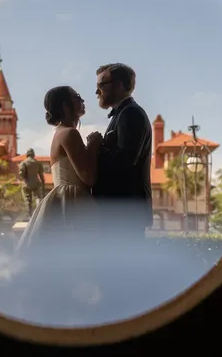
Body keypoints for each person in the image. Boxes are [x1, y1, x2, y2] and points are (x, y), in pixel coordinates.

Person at [15, 86, 102, 253]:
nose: (82, 100)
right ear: (65, 105)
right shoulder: (70, 134)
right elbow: (88, 177)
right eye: (77, 96)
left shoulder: (60, 133)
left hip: (64, 199)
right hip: (74, 202)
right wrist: (93, 146)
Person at [89, 63, 153, 243]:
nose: (97, 92)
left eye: (101, 85)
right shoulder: (123, 114)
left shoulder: (131, 114)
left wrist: (96, 146)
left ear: (119, 85)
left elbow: (125, 161)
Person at [18, 148, 45, 216]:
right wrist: (43, 184)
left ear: (27, 154)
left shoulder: (24, 162)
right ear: (33, 155)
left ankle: (30, 216)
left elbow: (21, 174)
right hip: (36, 183)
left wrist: (24, 178)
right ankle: (38, 214)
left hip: (27, 183)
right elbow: (41, 175)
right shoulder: (38, 163)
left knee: (28, 200)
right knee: (38, 197)